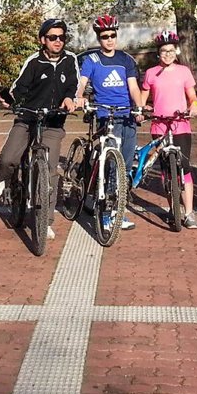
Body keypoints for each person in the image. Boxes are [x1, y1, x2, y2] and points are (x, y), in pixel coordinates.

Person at [0, 18, 79, 241]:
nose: (58, 41)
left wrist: (69, 98)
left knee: (50, 172)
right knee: (9, 158)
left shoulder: (70, 59)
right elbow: (19, 87)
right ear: (42, 40)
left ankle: (45, 221)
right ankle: (1, 177)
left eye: (61, 37)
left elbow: (73, 84)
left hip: (53, 122)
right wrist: (12, 100)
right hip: (28, 118)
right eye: (52, 37)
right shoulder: (34, 61)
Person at [74, 14, 143, 231]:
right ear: (99, 38)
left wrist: (139, 106)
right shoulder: (92, 60)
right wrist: (79, 97)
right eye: (105, 36)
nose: (110, 40)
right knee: (112, 163)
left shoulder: (125, 59)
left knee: (125, 164)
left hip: (126, 115)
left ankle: (117, 209)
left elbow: (133, 87)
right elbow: (82, 83)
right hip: (105, 114)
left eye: (113, 35)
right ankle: (106, 212)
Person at [138, 31, 197, 228]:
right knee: (166, 169)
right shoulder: (151, 73)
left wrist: (194, 106)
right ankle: (174, 208)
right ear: (158, 53)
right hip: (159, 124)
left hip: (180, 124)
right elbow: (142, 98)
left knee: (185, 167)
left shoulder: (184, 71)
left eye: (171, 51)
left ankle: (189, 212)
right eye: (164, 51)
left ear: (176, 51)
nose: (168, 54)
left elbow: (192, 96)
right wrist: (142, 110)